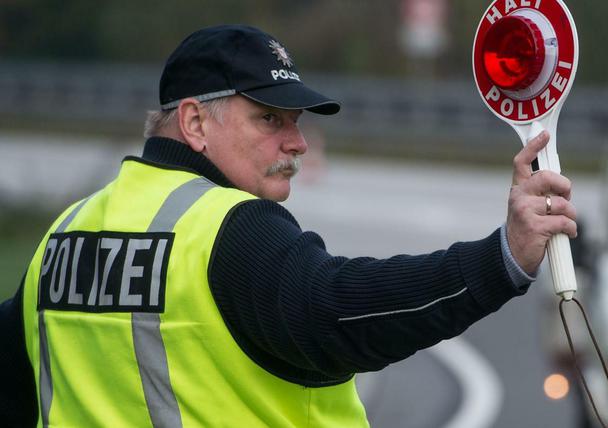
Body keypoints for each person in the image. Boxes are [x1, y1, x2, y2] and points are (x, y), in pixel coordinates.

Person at [0, 24, 577, 427]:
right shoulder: (230, 229)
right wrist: (501, 256)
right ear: (195, 121)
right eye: (269, 118)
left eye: (296, 120)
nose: (297, 142)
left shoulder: (62, 235)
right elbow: (343, 308)